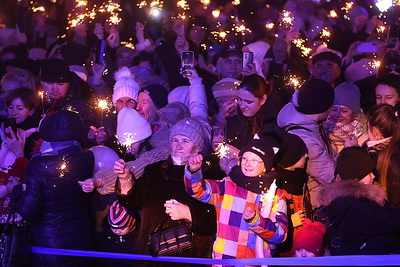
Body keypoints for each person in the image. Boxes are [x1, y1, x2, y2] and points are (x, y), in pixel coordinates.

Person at [114, 118, 216, 263]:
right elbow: (133, 202)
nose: (179, 146)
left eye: (185, 141)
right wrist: (125, 179)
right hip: (150, 255)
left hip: (189, 258)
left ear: (197, 147)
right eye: (175, 140)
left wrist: (189, 214)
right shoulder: (154, 170)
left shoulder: (211, 175)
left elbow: (218, 220)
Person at [12, 110, 94, 266]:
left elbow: (28, 210)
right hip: (82, 241)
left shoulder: (39, 165)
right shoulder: (87, 158)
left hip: (49, 247)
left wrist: (16, 191)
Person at [185, 137, 288, 259]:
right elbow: (198, 192)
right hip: (224, 261)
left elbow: (280, 235)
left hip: (254, 263)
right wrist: (194, 171)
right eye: (244, 158)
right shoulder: (228, 184)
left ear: (266, 166)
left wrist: (256, 221)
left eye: (255, 160)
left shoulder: (275, 195)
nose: (247, 164)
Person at [318, 146, 400, 255]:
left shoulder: (347, 199)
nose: (373, 176)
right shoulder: (357, 207)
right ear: (356, 178)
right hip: (367, 257)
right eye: (368, 173)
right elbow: (387, 219)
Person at [278, 79, 336, 209]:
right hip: (316, 205)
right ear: (322, 109)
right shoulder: (306, 138)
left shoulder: (309, 126)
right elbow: (331, 178)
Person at [366, 104, 400, 206]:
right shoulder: (394, 149)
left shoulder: (375, 156)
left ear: (375, 131)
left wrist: (351, 149)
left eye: (367, 127)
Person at [324, 82, 368, 153]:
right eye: (334, 109)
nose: (338, 114)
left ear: (354, 114)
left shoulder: (364, 139)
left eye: (344, 111)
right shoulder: (321, 132)